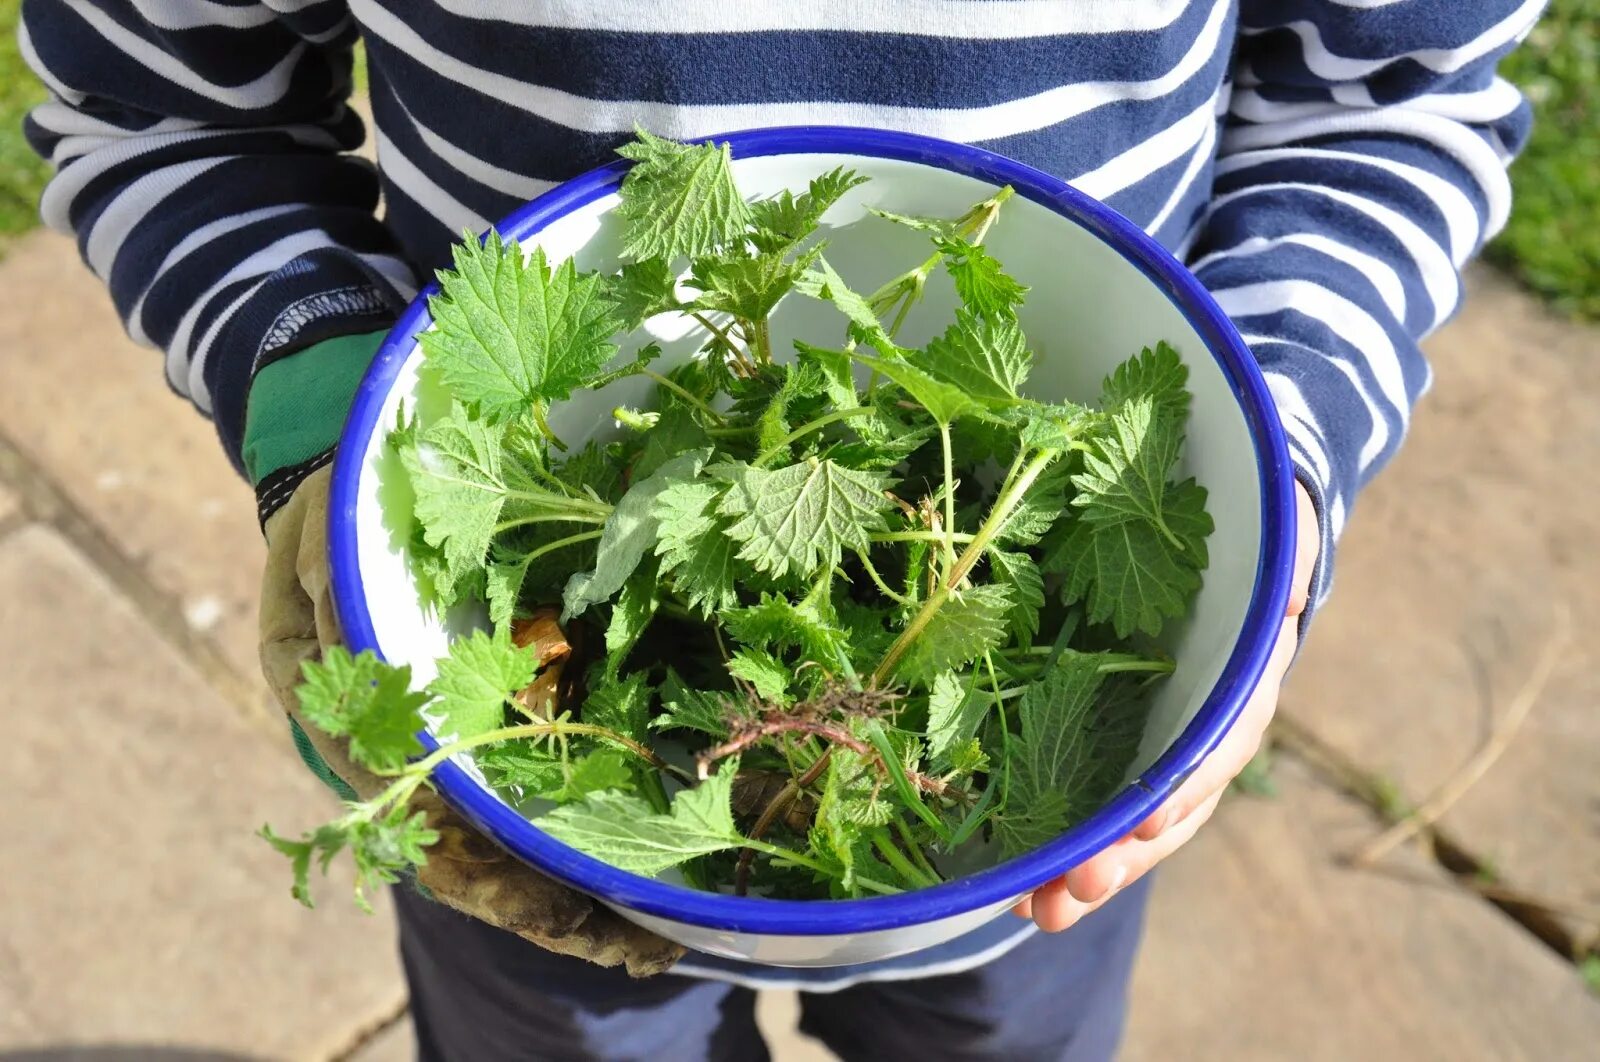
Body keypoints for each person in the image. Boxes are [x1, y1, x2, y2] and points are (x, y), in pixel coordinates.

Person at [20, 1, 1541, 1058]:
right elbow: (158, 99)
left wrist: (1275, 465)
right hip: (531, 807)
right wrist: (323, 433)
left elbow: (1384, 103)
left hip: (1024, 846)